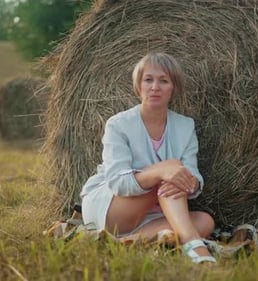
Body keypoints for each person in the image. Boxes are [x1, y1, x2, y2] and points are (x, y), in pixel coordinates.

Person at [80, 52, 216, 264]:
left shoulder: (185, 126)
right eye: (148, 80)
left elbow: (194, 177)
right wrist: (162, 172)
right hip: (113, 207)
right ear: (138, 86)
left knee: (205, 222)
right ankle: (193, 244)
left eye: (164, 81)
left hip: (156, 214)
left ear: (174, 88)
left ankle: (127, 242)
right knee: (170, 170)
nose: (155, 87)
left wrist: (188, 182)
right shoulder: (118, 125)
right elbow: (117, 182)